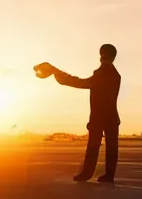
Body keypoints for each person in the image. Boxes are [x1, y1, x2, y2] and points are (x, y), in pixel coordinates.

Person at [35, 44, 122, 183]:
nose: (102, 58)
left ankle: (88, 174)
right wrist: (56, 72)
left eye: (103, 55)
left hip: (100, 117)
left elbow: (81, 83)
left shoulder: (103, 74)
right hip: (110, 117)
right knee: (109, 147)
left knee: (95, 147)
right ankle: (106, 175)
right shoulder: (114, 74)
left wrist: (56, 72)